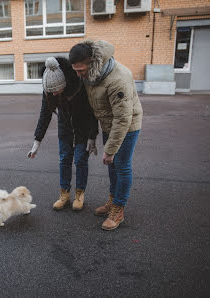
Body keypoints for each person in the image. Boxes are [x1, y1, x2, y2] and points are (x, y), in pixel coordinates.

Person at [69, 39, 143, 230]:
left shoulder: (117, 79)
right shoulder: (89, 75)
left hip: (127, 125)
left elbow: (123, 119)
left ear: (93, 62)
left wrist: (109, 150)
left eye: (80, 70)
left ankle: (118, 210)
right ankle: (113, 200)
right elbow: (92, 107)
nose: (78, 75)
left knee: (121, 165)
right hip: (109, 124)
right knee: (112, 167)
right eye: (75, 70)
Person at [27, 57, 98, 211]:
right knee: (64, 159)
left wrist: (93, 136)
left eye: (56, 90)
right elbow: (44, 115)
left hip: (82, 129)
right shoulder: (49, 90)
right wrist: (36, 142)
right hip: (65, 130)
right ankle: (64, 194)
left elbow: (92, 112)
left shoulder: (80, 86)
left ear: (65, 83)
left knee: (80, 160)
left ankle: (79, 194)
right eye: (50, 91)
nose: (53, 94)